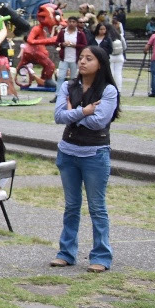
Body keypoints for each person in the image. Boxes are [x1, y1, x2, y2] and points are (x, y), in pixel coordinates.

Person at [52, 45, 118, 272]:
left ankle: (101, 256)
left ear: (100, 63)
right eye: (81, 58)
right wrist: (84, 111)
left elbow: (99, 122)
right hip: (68, 152)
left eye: (89, 59)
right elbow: (59, 116)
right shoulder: (68, 86)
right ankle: (66, 252)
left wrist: (76, 114)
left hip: (94, 154)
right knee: (71, 206)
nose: (82, 62)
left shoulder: (108, 90)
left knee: (97, 207)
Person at [53, 12, 89, 92]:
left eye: (74, 22)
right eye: (70, 22)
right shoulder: (63, 32)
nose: (71, 24)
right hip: (64, 59)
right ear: (67, 22)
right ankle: (58, 95)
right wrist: (62, 44)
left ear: (76, 23)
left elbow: (84, 45)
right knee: (61, 77)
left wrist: (75, 45)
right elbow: (56, 43)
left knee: (74, 78)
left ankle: (73, 94)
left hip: (75, 59)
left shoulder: (80, 34)